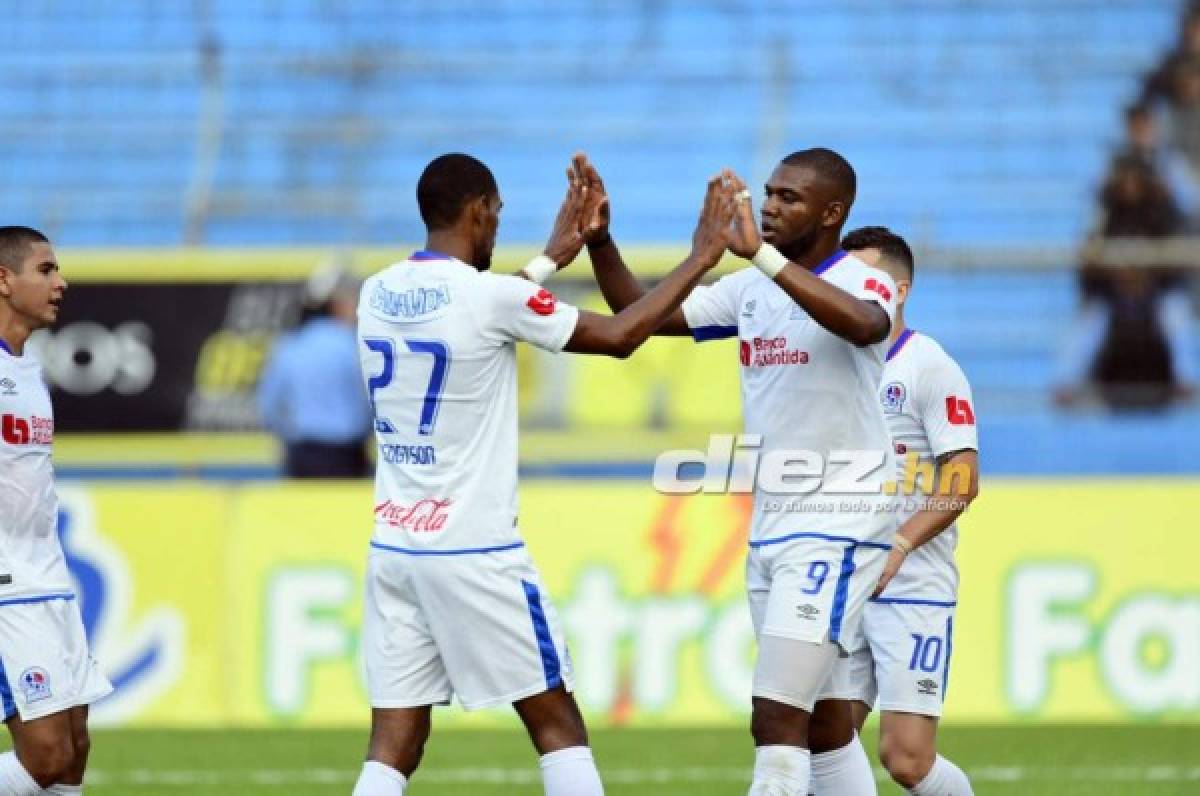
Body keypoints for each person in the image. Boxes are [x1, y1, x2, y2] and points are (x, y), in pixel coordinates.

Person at [350, 153, 737, 796]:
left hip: (395, 548)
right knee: (557, 725)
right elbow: (617, 335)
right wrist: (702, 256)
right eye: (496, 213)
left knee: (394, 743)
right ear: (478, 209)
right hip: (474, 551)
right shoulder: (492, 297)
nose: (498, 227)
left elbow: (477, 312)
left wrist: (553, 257)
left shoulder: (377, 291)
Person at [583, 149, 899, 795]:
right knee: (827, 726)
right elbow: (638, 316)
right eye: (770, 194)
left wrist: (763, 257)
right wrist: (602, 242)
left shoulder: (865, 280)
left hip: (838, 524)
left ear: (832, 212)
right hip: (775, 526)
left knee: (776, 715)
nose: (772, 207)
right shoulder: (750, 290)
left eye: (790, 198)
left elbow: (867, 326)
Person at [824, 226, 979, 796]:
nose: (854, 289)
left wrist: (903, 542)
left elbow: (962, 480)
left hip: (912, 585)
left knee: (907, 759)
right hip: (846, 579)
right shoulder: (835, 363)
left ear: (902, 288)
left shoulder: (928, 366)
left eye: (868, 277)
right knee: (828, 738)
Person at [0, 226, 112, 795]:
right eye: (44, 270)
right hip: (6, 586)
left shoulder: (26, 370)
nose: (60, 281)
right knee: (44, 756)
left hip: (48, 577)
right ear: (3, 279)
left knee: (72, 752)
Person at [257, 264, 374, 477]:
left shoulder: (289, 346)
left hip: (303, 454)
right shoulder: (353, 346)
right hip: (347, 455)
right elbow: (371, 402)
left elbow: (270, 406)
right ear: (337, 304)